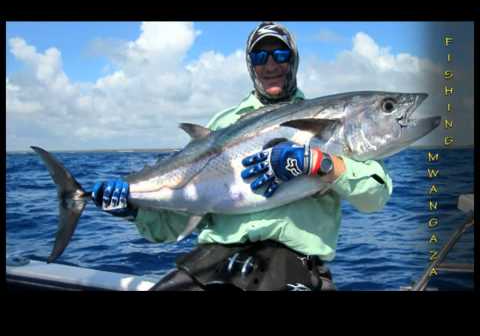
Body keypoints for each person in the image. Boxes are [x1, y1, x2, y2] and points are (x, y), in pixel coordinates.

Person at [92, 22, 393, 291]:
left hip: (292, 264)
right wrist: (135, 211)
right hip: (215, 261)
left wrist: (321, 164)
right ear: (251, 65)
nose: (271, 64)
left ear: (294, 60)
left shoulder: (327, 119)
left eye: (281, 54)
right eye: (261, 57)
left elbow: (375, 197)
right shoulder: (223, 124)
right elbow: (179, 221)